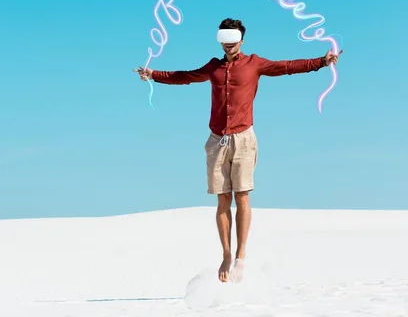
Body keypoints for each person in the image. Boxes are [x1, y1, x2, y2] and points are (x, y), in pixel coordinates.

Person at [134, 18, 341, 283]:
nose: (229, 45)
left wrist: (321, 62)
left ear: (241, 41)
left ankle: (242, 255)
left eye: (233, 41)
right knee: (223, 199)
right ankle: (227, 254)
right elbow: (184, 77)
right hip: (216, 140)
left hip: (243, 138)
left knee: (241, 196)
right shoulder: (213, 67)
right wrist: (153, 75)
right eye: (225, 40)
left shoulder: (254, 63)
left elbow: (286, 67)